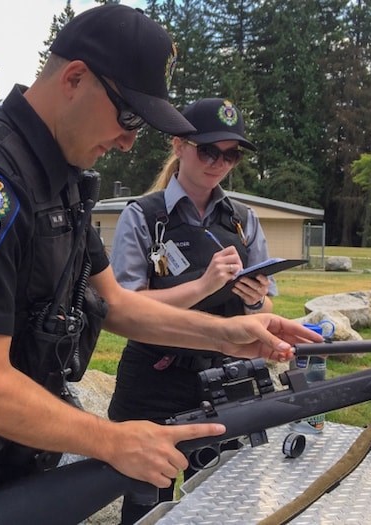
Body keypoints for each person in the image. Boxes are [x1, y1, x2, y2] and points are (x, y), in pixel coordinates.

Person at [0, 6, 320, 525]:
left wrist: (228, 334)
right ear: (74, 78)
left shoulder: (58, 178)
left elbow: (113, 302)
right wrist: (115, 440)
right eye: (130, 115)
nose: (131, 140)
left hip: (26, 447)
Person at [108, 98, 278, 523]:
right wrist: (204, 284)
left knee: (227, 501)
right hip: (155, 376)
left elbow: (267, 301)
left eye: (231, 154)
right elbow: (125, 304)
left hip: (227, 375)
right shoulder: (143, 216)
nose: (219, 163)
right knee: (146, 501)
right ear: (179, 145)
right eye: (208, 150)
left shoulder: (243, 219)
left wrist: (256, 299)